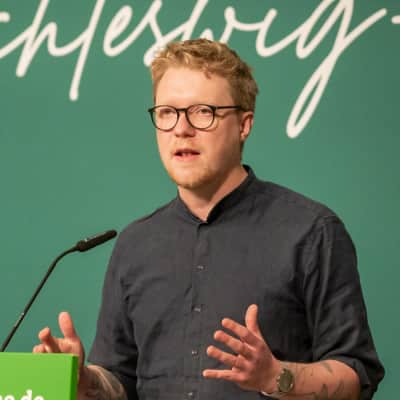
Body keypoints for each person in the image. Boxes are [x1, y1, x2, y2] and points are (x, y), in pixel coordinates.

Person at [34, 39, 384, 400]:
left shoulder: (312, 232)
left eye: (203, 112)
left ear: (244, 125)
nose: (181, 129)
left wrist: (275, 376)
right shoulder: (134, 244)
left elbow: (356, 375)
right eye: (167, 112)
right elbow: (121, 380)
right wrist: (85, 382)